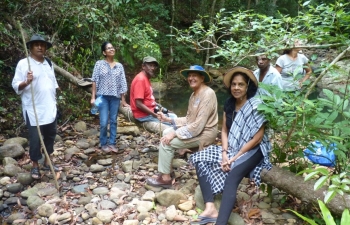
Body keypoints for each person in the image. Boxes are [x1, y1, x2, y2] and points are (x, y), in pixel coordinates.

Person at [189, 66, 272, 225]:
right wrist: (225, 154)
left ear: (248, 86)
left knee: (232, 177)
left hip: (254, 149)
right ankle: (210, 207)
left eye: (241, 84)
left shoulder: (256, 105)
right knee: (200, 158)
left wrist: (234, 158)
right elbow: (224, 130)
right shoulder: (229, 103)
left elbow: (257, 138)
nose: (236, 88)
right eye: (234, 84)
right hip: (232, 148)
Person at [146, 65, 218, 188]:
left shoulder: (208, 94)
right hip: (197, 130)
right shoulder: (194, 95)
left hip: (205, 133)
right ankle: (168, 171)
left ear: (202, 78)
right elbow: (189, 119)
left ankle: (165, 179)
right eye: (189, 76)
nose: (191, 78)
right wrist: (168, 119)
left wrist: (174, 133)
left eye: (194, 75)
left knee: (166, 143)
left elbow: (198, 125)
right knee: (165, 132)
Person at [12, 34, 60, 179]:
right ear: (31, 47)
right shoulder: (23, 64)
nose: (40, 47)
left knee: (50, 135)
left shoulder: (49, 63)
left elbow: (53, 83)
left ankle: (47, 161)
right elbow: (15, 85)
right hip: (33, 108)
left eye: (42, 44)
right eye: (36, 44)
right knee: (35, 138)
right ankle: (34, 165)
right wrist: (26, 81)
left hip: (50, 106)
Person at [91, 42, 128, 153]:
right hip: (102, 97)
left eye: (112, 47)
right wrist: (93, 97)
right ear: (104, 52)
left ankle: (112, 143)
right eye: (108, 48)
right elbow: (94, 80)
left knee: (113, 121)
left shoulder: (119, 66)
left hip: (115, 98)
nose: (111, 49)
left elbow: (123, 83)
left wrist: (123, 100)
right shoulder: (99, 64)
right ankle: (103, 143)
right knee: (103, 122)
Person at [130, 56, 175, 124]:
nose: (153, 68)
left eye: (154, 66)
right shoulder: (140, 79)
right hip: (143, 115)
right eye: (150, 65)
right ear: (143, 66)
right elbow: (138, 104)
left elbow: (150, 100)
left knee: (173, 116)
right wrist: (154, 115)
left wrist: (164, 110)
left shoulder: (146, 78)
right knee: (173, 120)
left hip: (150, 112)